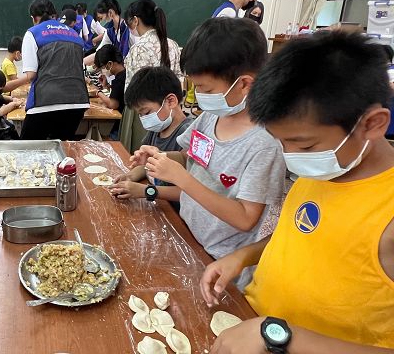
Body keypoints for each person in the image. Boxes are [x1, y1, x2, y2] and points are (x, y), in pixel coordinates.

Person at [201, 30, 394, 353]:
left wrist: (284, 338)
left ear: (372, 124)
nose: (288, 154)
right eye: (281, 142)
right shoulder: (326, 168)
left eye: (304, 144)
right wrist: (243, 255)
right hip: (253, 325)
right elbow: (299, 236)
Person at [131, 18, 286, 288]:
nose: (198, 94)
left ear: (244, 84)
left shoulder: (264, 144)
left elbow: (245, 218)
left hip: (220, 261)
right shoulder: (211, 117)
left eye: (205, 89)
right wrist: (161, 157)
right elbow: (193, 160)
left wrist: (181, 178)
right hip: (188, 234)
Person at [4, 0, 90, 140]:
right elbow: (79, 70)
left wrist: (7, 86)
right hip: (78, 102)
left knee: (28, 148)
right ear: (54, 14)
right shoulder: (74, 34)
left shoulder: (33, 33)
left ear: (33, 18)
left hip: (46, 102)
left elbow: (31, 75)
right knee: (61, 148)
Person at [110, 66, 194, 204]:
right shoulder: (156, 130)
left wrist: (144, 190)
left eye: (147, 112)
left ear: (170, 101)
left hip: (174, 212)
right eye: (140, 115)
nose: (144, 119)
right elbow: (147, 165)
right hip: (157, 203)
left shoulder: (188, 134)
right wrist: (130, 177)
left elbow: (192, 192)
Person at [120, 0, 183, 153]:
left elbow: (133, 91)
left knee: (140, 154)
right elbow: (180, 79)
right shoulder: (173, 44)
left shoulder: (138, 48)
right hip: (171, 112)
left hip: (144, 111)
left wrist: (144, 112)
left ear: (135, 20)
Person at [84, 0, 134, 65]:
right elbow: (99, 53)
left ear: (110, 13)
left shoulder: (129, 29)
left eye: (101, 18)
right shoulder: (110, 32)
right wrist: (82, 63)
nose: (101, 23)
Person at [93, 45, 126, 139]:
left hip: (119, 125)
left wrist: (98, 92)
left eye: (102, 68)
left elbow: (113, 104)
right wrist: (105, 86)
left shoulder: (119, 79)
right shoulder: (123, 75)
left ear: (109, 64)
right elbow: (117, 95)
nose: (102, 71)